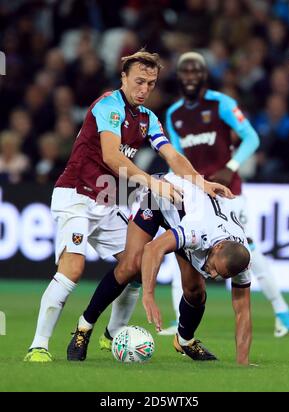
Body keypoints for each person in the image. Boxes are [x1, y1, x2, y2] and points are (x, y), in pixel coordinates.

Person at [24, 49, 231, 362]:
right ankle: (39, 345)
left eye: (150, 83)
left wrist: (201, 182)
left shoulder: (148, 118)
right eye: (138, 81)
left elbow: (172, 155)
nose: (144, 89)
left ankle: (112, 336)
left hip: (109, 201)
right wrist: (152, 182)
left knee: (134, 265)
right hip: (76, 195)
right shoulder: (109, 106)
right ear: (123, 78)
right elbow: (111, 155)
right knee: (74, 267)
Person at [159, 51, 289, 337]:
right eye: (185, 72)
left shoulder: (221, 103)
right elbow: (177, 156)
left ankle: (281, 309)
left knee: (248, 251)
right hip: (196, 193)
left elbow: (251, 137)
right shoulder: (174, 114)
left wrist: (230, 167)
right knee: (181, 248)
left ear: (204, 75)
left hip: (229, 193)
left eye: (196, 71)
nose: (191, 76)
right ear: (180, 77)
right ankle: (179, 321)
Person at [140, 173, 252, 364]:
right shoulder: (198, 230)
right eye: (216, 268)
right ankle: (96, 329)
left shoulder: (241, 261)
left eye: (220, 276)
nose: (213, 274)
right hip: (164, 196)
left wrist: (243, 363)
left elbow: (243, 312)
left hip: (188, 215)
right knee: (132, 266)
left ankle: (183, 340)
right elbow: (152, 249)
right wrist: (149, 295)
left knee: (195, 291)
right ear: (218, 248)